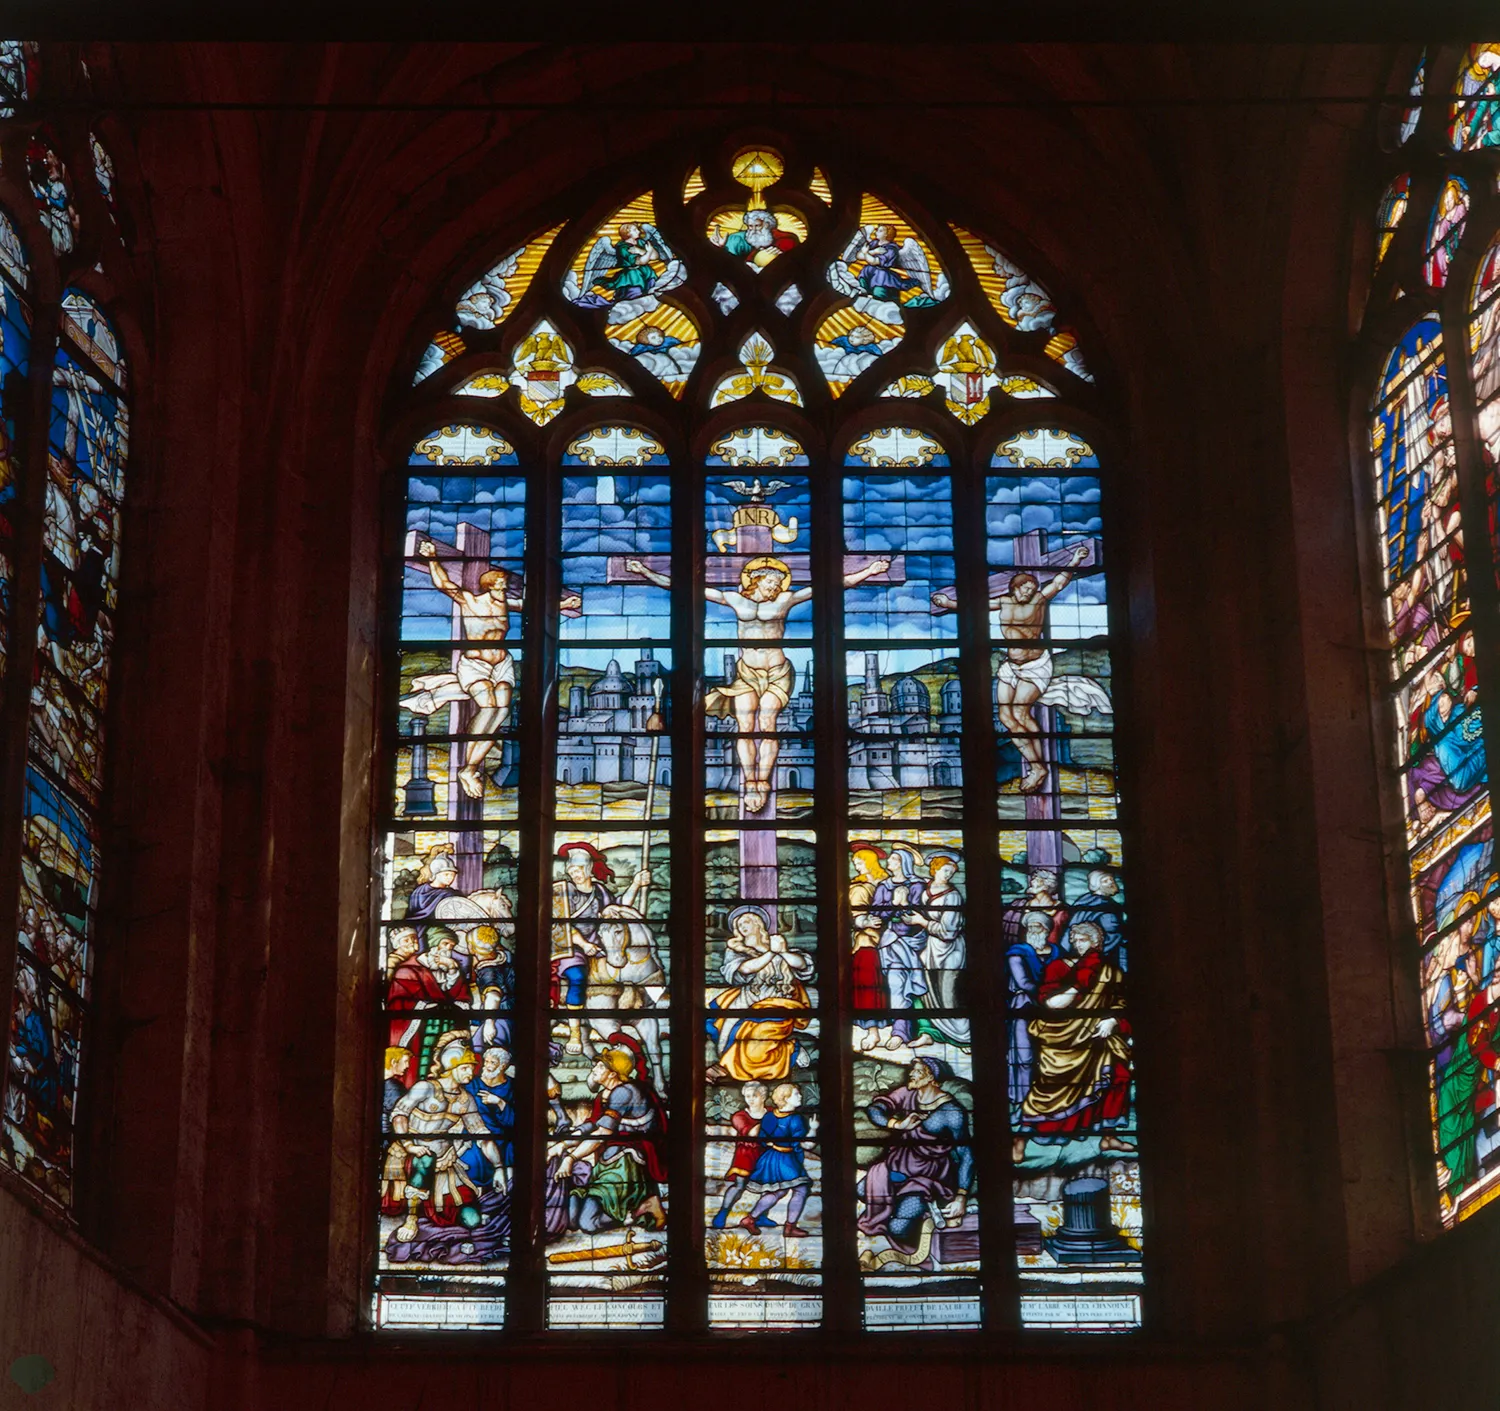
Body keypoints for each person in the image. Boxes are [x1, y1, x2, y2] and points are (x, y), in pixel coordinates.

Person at [626, 554, 889, 812]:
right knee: (745, 727)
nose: (775, 588)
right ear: (756, 580)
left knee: (767, 724)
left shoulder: (785, 600)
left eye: (778, 584)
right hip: (747, 673)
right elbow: (685, 586)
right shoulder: (735, 600)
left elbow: (830, 586)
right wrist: (644, 571)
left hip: (777, 672)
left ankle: (763, 780)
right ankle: (749, 779)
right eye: (770, 583)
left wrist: (870, 571)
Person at [399, 543, 525, 799]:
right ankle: (469, 769)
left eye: (505, 584)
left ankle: (470, 768)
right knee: (488, 706)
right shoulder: (469, 601)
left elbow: (534, 604)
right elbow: (445, 584)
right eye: (501, 584)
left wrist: (563, 602)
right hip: (475, 665)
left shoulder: (506, 605)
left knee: (501, 710)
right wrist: (432, 558)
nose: (505, 588)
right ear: (490, 585)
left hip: (501, 664)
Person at [1019, 921, 1134, 1153]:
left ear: (1097, 943)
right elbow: (1051, 1003)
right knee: (1049, 1088)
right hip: (1062, 1039)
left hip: (1099, 1036)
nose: (1078, 945)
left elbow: (1122, 1002)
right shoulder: (1059, 967)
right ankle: (1020, 1138)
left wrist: (1112, 1021)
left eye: (1084, 940)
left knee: (1118, 1077)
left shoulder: (1111, 971)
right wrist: (1078, 985)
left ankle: (1108, 1136)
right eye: (1076, 940)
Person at [989, 544, 1092, 792]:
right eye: (1025, 589)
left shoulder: (1039, 600)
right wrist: (948, 602)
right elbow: (972, 605)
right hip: (1010, 665)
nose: (1029, 593)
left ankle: (1039, 767)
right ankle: (1035, 763)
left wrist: (1074, 560)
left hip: (1035, 665)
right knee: (1006, 717)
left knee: (1022, 714)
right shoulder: (1002, 602)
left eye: (1032, 589)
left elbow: (1058, 583)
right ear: (1015, 588)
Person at [857, 1058, 974, 1257]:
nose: (911, 1074)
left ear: (932, 1078)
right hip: (897, 1166)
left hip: (927, 1178)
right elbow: (875, 1109)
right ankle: (901, 1206)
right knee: (860, 1190)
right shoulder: (908, 1093)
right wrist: (896, 1124)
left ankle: (925, 1208)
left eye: (918, 1071)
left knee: (897, 1228)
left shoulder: (951, 1112)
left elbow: (966, 1154)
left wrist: (961, 1196)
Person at [387, 1037, 491, 1242]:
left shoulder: (466, 1099)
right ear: (452, 1065)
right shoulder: (425, 1087)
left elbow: (482, 1133)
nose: (472, 1073)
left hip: (446, 1163)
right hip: (414, 1154)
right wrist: (409, 1145)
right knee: (425, 1160)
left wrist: (500, 1167)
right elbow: (399, 1114)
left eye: (472, 1068)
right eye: (466, 1068)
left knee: (472, 1219)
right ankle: (411, 1218)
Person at [556, 1043, 668, 1234]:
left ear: (613, 1073)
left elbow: (601, 1135)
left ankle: (641, 1209)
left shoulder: (625, 1092)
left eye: (600, 1066)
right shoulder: (606, 1095)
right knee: (571, 1218)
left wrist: (570, 1158)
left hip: (627, 1165)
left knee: (588, 1224)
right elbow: (592, 1123)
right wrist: (565, 1142)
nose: (594, 1069)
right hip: (607, 1163)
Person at [552, 843, 651, 1054]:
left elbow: (618, 908)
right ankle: (575, 1033)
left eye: (579, 870)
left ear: (588, 869)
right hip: (569, 947)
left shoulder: (600, 891)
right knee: (578, 976)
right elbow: (560, 925)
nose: (575, 874)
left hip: (600, 944)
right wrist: (584, 944)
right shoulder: (563, 891)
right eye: (572, 870)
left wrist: (636, 884)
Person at [707, 906, 813, 1080]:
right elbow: (745, 969)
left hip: (780, 1003)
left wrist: (783, 952)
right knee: (727, 1039)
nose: (743, 926)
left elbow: (803, 965)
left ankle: (791, 1050)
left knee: (757, 1043)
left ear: (758, 924)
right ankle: (725, 1065)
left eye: (747, 921)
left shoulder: (779, 943)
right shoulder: (735, 949)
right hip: (747, 1000)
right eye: (739, 924)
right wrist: (772, 953)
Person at [870, 844, 931, 1050]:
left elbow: (918, 914)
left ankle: (903, 1032)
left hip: (915, 941)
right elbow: (877, 914)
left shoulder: (917, 885)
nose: (889, 862)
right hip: (890, 941)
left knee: (903, 986)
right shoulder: (883, 887)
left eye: (894, 859)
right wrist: (893, 905)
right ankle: (900, 1029)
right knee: (896, 985)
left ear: (903, 863)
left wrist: (903, 906)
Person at [907, 849, 968, 1043]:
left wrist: (921, 922)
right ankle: (928, 1033)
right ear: (934, 869)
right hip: (929, 948)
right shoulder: (924, 887)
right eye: (944, 870)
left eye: (951, 872)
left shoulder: (953, 896)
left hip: (950, 951)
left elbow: (948, 931)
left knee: (949, 998)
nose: (948, 875)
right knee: (923, 991)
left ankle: (963, 1036)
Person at [741, 1083, 814, 1236]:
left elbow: (763, 1138)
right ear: (785, 1098)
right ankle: (790, 1227)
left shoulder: (769, 1116)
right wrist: (813, 1129)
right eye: (796, 1094)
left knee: (778, 1192)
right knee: (800, 1189)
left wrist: (772, 1144)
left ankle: (750, 1219)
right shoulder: (795, 1120)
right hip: (785, 1160)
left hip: (771, 1158)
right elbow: (805, 1144)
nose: (800, 1096)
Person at [1006, 911, 1056, 1118]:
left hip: (1053, 1011)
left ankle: (1049, 1102)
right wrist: (1050, 997)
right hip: (1025, 1007)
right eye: (1031, 927)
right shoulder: (1017, 953)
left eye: (1039, 927)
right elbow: (1023, 982)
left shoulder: (1056, 952)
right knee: (1025, 1056)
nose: (1034, 931)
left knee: (1050, 1056)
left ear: (1047, 930)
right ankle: (1024, 1102)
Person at [712, 1080, 768, 1229]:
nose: (750, 1099)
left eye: (754, 1095)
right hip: (746, 1155)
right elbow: (752, 1134)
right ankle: (723, 1213)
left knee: (769, 1186)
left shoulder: (770, 1112)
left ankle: (762, 1216)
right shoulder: (740, 1116)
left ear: (763, 1096)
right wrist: (771, 1119)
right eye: (747, 1096)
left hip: (766, 1154)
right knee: (740, 1185)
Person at [850, 845, 888, 1051]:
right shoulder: (858, 887)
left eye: (859, 861)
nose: (856, 866)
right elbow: (856, 916)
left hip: (892, 940)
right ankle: (872, 1031)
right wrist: (864, 920)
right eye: (854, 862)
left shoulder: (886, 883)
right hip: (867, 943)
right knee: (868, 986)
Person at [1067, 869, 1126, 972]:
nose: (1111, 882)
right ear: (1097, 885)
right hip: (1101, 958)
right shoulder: (1106, 907)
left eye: (1111, 879)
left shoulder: (1085, 900)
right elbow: (1113, 935)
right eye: (1105, 881)